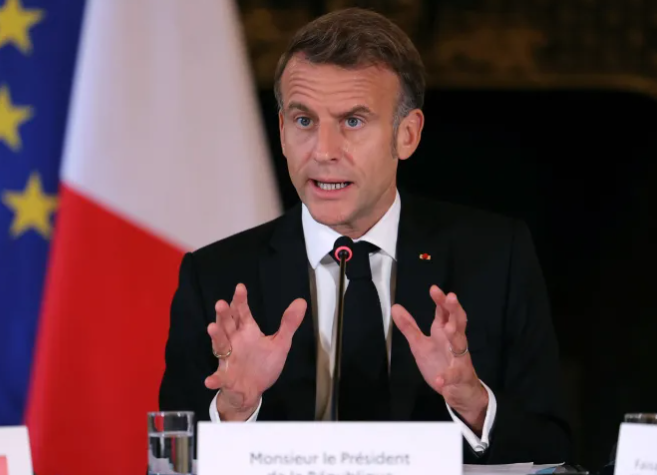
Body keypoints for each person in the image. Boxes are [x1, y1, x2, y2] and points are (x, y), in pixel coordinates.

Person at [159, 7, 572, 464]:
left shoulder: (496, 258)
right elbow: (170, 463)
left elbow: (553, 450)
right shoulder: (215, 278)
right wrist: (234, 412)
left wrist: (473, 403)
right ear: (282, 132)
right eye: (304, 121)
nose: (324, 151)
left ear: (407, 135)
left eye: (352, 122)